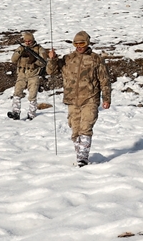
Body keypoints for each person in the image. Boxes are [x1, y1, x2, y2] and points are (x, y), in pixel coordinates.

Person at [46, 31, 111, 167]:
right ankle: (80, 155)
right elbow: (51, 71)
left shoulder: (96, 59)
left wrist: (106, 98)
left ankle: (83, 159)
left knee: (85, 128)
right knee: (75, 131)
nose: (79, 46)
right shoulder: (68, 59)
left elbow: (104, 80)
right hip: (72, 101)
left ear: (87, 43)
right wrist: (52, 59)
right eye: (76, 43)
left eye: (82, 43)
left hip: (90, 99)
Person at [8, 31, 49, 120]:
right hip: (22, 74)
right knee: (17, 93)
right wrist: (20, 51)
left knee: (32, 95)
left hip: (33, 75)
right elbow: (13, 60)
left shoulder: (39, 49)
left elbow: (44, 60)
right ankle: (15, 112)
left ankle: (31, 114)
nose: (27, 42)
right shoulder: (21, 48)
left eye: (29, 41)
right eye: (25, 41)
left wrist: (35, 64)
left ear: (33, 40)